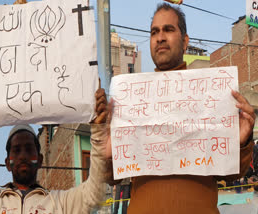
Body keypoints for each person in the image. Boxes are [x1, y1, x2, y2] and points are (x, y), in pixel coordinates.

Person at [106, 3, 255, 214]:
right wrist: (107, 152)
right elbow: (111, 177)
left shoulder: (213, 95)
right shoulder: (129, 102)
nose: (160, 37)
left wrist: (241, 143)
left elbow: (232, 175)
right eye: (154, 32)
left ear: (185, 42)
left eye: (168, 29)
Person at [0, 88, 108, 214]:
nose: (22, 156)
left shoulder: (60, 202)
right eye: (16, 150)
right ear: (7, 163)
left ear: (40, 160)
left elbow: (95, 194)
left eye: (29, 149)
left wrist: (99, 129)